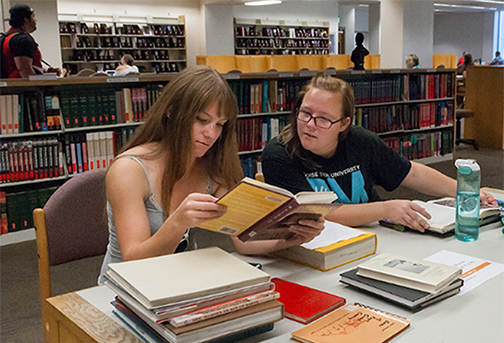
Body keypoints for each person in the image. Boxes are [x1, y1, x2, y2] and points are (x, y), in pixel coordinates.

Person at [97, 66, 324, 284]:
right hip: (123, 290)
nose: (211, 134)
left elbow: (243, 240)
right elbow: (133, 261)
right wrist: (177, 223)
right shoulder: (130, 170)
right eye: (202, 120)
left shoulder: (209, 165)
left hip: (177, 282)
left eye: (220, 125)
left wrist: (295, 236)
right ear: (171, 111)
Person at [262, 75, 496, 233]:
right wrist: (386, 208)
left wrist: (465, 190)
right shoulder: (280, 154)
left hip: (374, 234)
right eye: (305, 113)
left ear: (344, 124)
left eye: (323, 119)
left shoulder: (360, 141)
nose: (310, 125)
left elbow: (410, 173)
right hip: (319, 244)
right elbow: (315, 214)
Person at [2, 4, 61, 78]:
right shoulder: (23, 40)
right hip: (20, 87)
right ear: (26, 19)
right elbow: (25, 70)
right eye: (33, 16)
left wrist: (44, 72)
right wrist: (39, 87)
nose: (35, 20)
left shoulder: (8, 37)